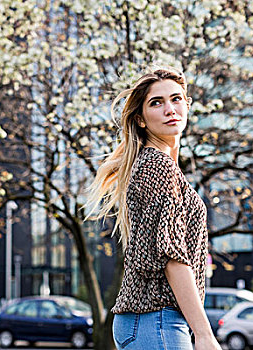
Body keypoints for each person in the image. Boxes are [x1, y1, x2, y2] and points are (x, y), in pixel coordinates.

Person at [86, 67, 221, 350]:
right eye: (156, 102)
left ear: (187, 104)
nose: (170, 109)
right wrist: (205, 334)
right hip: (156, 318)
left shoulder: (160, 166)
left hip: (152, 320)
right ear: (141, 119)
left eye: (176, 99)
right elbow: (172, 257)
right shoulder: (156, 166)